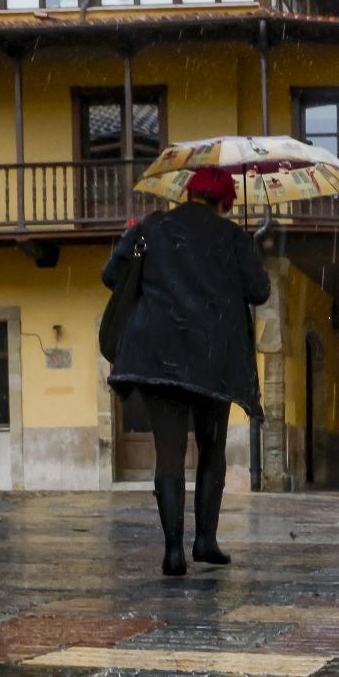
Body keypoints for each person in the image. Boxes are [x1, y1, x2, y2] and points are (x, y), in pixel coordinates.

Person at [102, 167, 271, 576]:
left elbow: (112, 276)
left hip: (158, 353)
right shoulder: (233, 237)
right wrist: (244, 248)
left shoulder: (152, 226)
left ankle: (173, 550)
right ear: (225, 202)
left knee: (170, 452)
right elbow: (259, 291)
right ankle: (206, 541)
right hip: (213, 358)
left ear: (188, 193)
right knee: (212, 450)